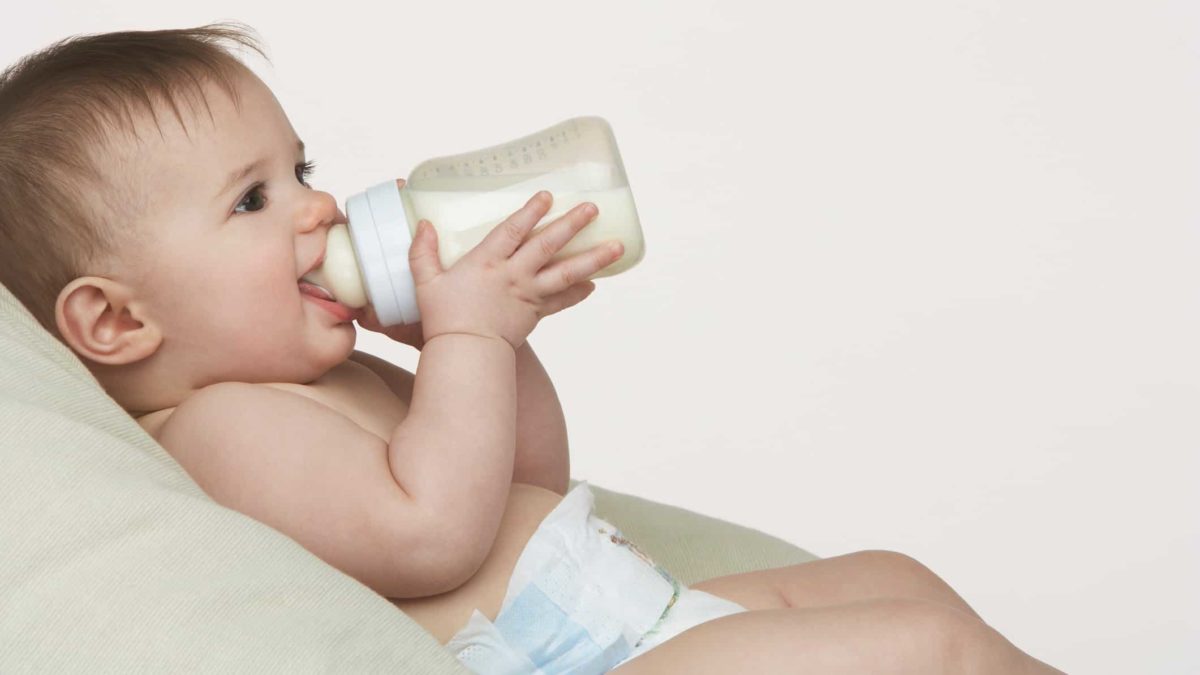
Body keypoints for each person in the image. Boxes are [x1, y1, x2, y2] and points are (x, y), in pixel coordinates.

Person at [0, 22, 1063, 674]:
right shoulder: (222, 426)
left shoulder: (327, 373)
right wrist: (467, 336)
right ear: (118, 322)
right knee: (923, 656)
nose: (321, 206)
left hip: (631, 613)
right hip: (571, 663)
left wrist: (494, 350)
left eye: (303, 168)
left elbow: (527, 483)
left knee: (898, 582)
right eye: (253, 198)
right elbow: (431, 538)